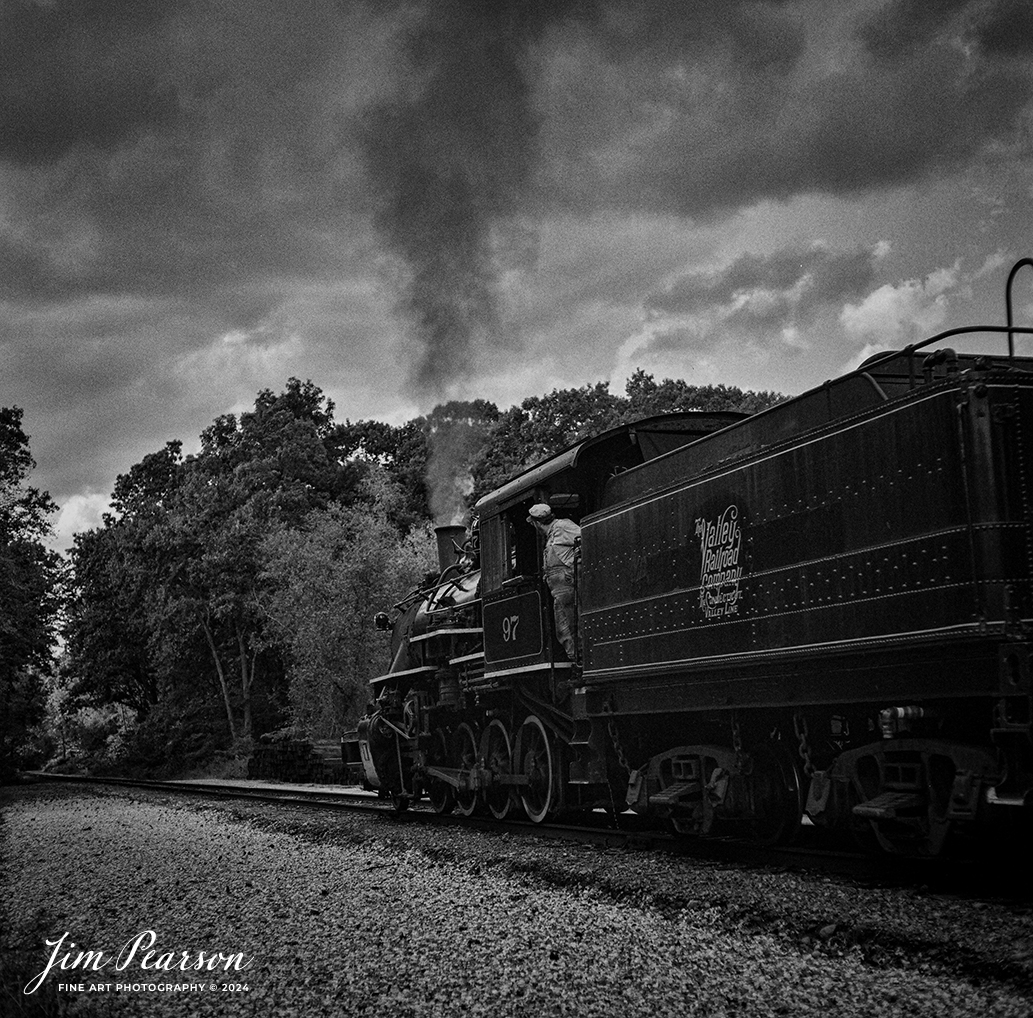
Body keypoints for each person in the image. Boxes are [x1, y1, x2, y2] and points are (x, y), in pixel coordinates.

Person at [526, 503, 581, 663]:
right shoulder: (551, 535)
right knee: (564, 630)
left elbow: (586, 536)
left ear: (536, 523)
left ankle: (581, 659)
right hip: (559, 591)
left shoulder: (563, 526)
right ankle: (576, 659)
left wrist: (577, 558)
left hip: (569, 586)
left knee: (573, 625)